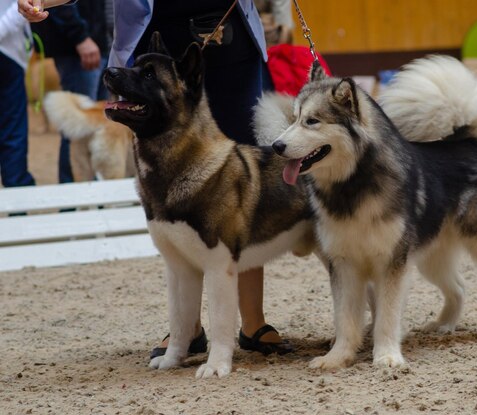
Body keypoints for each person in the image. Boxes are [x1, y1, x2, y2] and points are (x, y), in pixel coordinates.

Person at [19, 0, 293, 357]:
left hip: (229, 35)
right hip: (154, 38)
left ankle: (253, 321)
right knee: (167, 181)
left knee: (241, 180)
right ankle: (187, 328)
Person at [30, 0, 113, 183]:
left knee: (98, 126)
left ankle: (96, 194)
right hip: (79, 49)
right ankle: (71, 195)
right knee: (76, 127)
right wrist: (80, 37)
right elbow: (58, 5)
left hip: (103, 44)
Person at [0, 0, 36, 189]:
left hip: (10, 54)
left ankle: (18, 194)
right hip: (7, 50)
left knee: (12, 130)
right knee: (12, 131)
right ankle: (17, 190)